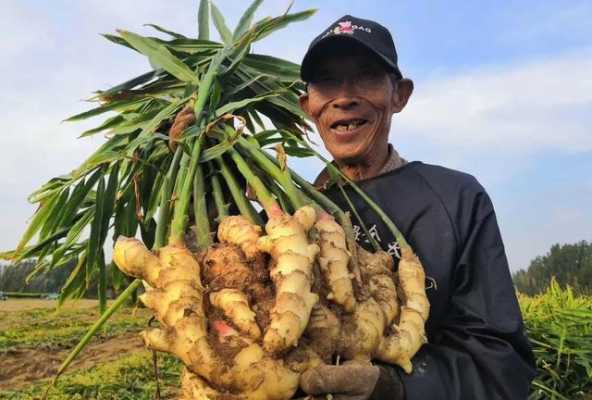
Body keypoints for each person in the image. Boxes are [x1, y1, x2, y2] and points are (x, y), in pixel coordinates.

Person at [296, 15, 537, 400]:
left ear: (400, 94)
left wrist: (397, 389)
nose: (344, 96)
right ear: (308, 105)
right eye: (326, 81)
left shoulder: (456, 198)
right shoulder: (293, 219)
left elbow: (502, 364)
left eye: (366, 76)